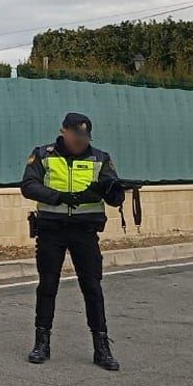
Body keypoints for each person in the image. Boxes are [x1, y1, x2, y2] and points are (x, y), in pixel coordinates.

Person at [20, 112, 126, 370]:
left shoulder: (100, 158)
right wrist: (59, 197)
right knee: (47, 286)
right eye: (76, 136)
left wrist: (116, 191)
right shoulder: (43, 155)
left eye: (84, 137)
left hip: (84, 233)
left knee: (92, 288)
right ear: (63, 131)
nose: (80, 141)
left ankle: (101, 348)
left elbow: (113, 197)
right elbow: (28, 186)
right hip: (51, 230)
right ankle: (41, 343)